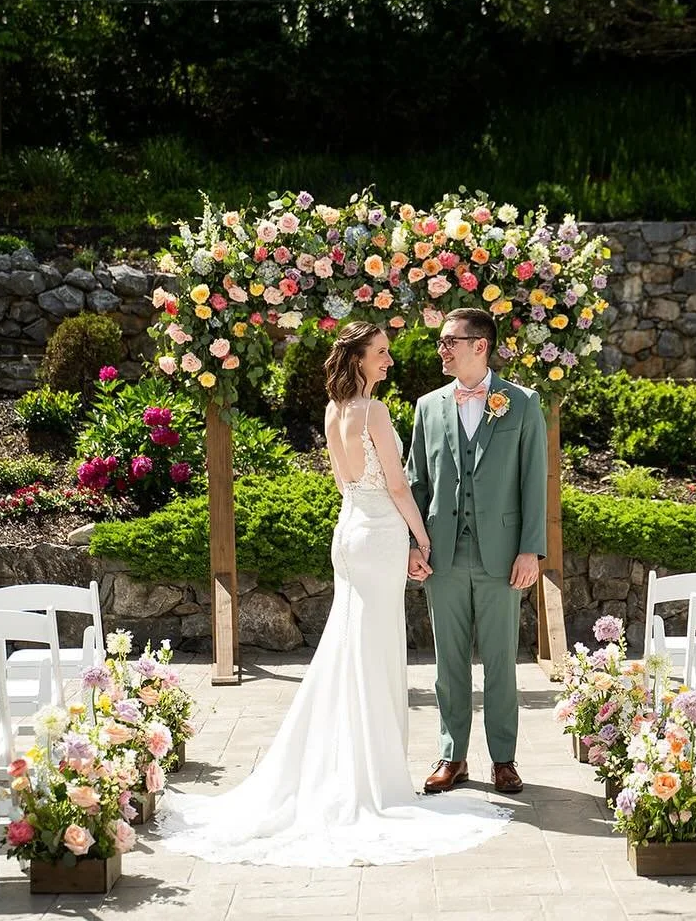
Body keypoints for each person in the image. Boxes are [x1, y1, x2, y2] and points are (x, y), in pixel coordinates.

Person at [158, 320, 510, 866]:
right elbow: (396, 485)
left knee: (349, 650)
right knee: (374, 653)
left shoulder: (331, 410)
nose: (389, 361)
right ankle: (370, 778)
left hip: (347, 533)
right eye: (382, 354)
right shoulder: (374, 412)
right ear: (360, 359)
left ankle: (345, 763)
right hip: (379, 537)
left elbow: (347, 482)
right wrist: (424, 540)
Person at [404, 308, 547, 796]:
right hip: (442, 554)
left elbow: (534, 484)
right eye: (442, 341)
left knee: (503, 660)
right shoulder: (427, 406)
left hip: (503, 556)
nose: (442, 349)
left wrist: (531, 551)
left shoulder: (522, 403)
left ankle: (503, 759)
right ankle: (452, 756)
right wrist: (411, 544)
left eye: (450, 341)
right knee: (447, 662)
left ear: (480, 345)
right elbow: (416, 483)